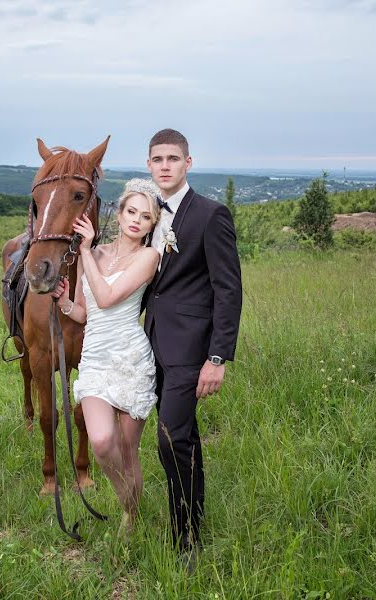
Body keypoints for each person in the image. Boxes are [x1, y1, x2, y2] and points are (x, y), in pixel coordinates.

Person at [143, 128, 242, 569]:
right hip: (152, 346)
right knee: (183, 438)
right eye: (157, 159)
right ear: (149, 165)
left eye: (173, 158)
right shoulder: (145, 214)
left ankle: (185, 542)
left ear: (188, 162)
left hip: (191, 351)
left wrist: (217, 357)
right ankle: (193, 517)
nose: (165, 166)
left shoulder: (210, 215)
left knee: (169, 440)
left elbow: (228, 290)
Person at [51, 179, 162, 534]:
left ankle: (131, 516)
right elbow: (86, 312)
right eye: (131, 211)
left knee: (128, 450)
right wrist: (66, 302)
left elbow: (109, 298)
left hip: (130, 359)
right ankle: (127, 500)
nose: (136, 220)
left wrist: (84, 250)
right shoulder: (96, 255)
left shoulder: (149, 257)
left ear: (152, 225)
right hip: (96, 361)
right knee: (101, 441)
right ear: (120, 213)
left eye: (145, 217)